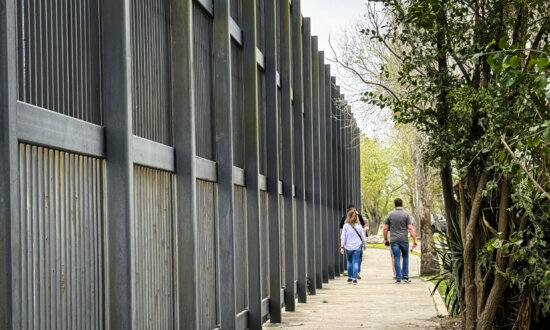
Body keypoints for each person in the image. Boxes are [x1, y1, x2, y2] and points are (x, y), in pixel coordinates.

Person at [383, 198, 418, 283]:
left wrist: (385, 239)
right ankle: (405, 276)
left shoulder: (390, 214)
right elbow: (410, 228)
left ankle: (398, 278)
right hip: (404, 240)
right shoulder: (406, 214)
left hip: (394, 240)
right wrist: (414, 240)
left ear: (394, 205)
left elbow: (385, 228)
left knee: (396, 257)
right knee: (405, 257)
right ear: (402, 204)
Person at [340, 204, 367, 279]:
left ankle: (350, 277)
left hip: (348, 246)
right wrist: (364, 244)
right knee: (355, 261)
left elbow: (343, 236)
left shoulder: (345, 225)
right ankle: (355, 278)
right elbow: (363, 236)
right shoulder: (358, 225)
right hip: (357, 246)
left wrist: (342, 246)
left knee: (349, 262)